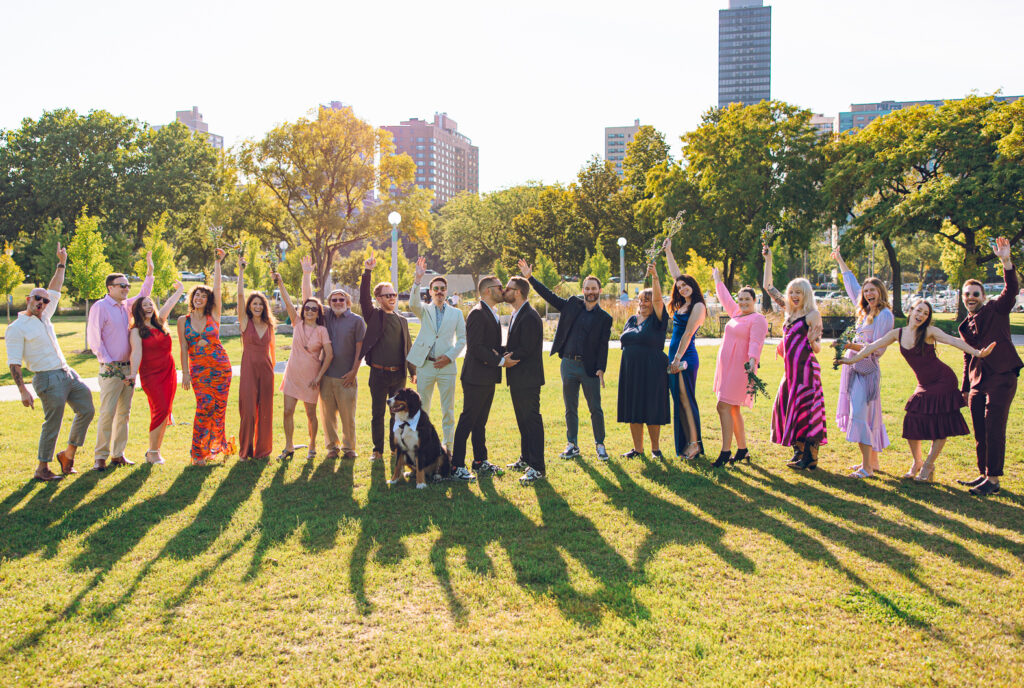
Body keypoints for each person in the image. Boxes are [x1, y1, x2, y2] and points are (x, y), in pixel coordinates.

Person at [840, 299, 992, 481]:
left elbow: (953, 341)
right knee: (911, 419)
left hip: (943, 380)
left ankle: (927, 466)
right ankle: (917, 462)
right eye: (918, 311)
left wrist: (978, 353)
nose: (920, 315)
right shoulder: (898, 334)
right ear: (911, 311)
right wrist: (850, 361)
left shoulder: (929, 332)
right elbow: (872, 347)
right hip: (924, 383)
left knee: (941, 423)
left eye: (925, 314)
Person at [6, 242, 94, 481]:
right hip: (46, 378)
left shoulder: (45, 315)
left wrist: (61, 262)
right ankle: (42, 468)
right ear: (28, 299)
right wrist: (23, 390)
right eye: (37, 299)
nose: (42, 304)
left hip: (67, 373)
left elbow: (55, 288)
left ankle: (67, 454)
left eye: (44, 301)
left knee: (86, 408)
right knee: (52, 424)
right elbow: (13, 363)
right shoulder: (16, 327)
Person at [519, 258, 613, 462]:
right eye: (587, 288)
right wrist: (530, 278)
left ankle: (600, 445)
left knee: (595, 408)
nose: (590, 291)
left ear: (599, 290)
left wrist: (601, 368)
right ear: (583, 289)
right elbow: (550, 296)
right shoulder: (572, 304)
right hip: (568, 365)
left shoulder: (605, 318)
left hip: (589, 369)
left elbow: (603, 346)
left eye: (593, 288)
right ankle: (572, 444)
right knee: (570, 407)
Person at [955, 236, 1022, 496]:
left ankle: (993, 480)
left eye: (975, 294)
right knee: (980, 430)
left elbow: (1011, 291)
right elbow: (966, 357)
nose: (971, 298)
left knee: (994, 427)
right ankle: (983, 473)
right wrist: (964, 387)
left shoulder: (996, 309)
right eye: (967, 295)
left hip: (1002, 376)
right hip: (977, 381)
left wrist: (1006, 261)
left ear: (983, 296)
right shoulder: (963, 326)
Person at [87, 251, 154, 470]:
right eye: (122, 285)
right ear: (110, 287)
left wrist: (150, 272)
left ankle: (118, 454)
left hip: (129, 368)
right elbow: (95, 340)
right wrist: (108, 362)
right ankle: (100, 456)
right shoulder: (100, 307)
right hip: (111, 368)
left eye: (127, 286)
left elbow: (144, 294)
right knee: (107, 412)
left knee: (124, 413)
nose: (126, 289)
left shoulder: (128, 306)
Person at [831, 248, 894, 478]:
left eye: (872, 290)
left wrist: (848, 346)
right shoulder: (865, 312)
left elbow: (877, 349)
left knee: (859, 414)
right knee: (864, 415)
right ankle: (871, 463)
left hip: (867, 372)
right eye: (866, 291)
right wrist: (840, 260)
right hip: (855, 369)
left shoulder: (884, 315)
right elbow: (852, 286)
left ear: (880, 292)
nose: (868, 294)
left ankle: (867, 468)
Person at [763, 245, 827, 470]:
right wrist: (769, 259)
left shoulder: (812, 314)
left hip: (806, 370)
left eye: (798, 292)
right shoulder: (789, 312)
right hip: (790, 371)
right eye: (792, 292)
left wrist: (812, 340)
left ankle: (810, 457)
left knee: (806, 411)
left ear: (806, 294)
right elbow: (768, 287)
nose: (794, 296)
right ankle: (798, 451)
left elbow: (818, 348)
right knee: (786, 406)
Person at [301, 257, 364, 460]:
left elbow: (360, 349)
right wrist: (307, 274)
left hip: (346, 376)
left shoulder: (357, 321)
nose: (338, 302)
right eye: (334, 300)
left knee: (348, 417)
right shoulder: (325, 316)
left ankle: (349, 448)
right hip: (326, 376)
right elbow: (308, 301)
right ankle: (331, 448)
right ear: (329, 304)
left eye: (341, 300)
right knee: (328, 417)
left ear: (348, 302)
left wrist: (354, 371)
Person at [178, 249, 235, 465]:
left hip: (221, 368)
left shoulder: (214, 316)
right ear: (191, 299)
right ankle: (197, 454)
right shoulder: (184, 320)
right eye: (196, 295)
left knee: (217, 408)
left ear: (208, 300)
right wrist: (185, 374)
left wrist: (218, 263)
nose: (200, 298)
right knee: (204, 406)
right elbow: (184, 348)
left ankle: (212, 448)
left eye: (204, 295)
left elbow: (218, 289)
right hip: (199, 370)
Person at [710, 267, 769, 467]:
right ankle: (742, 449)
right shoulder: (736, 313)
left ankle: (725, 452)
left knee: (723, 406)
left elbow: (756, 342)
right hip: (726, 368)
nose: (743, 302)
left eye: (747, 299)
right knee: (733, 409)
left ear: (755, 301)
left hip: (740, 369)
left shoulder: (758, 319)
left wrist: (752, 360)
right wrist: (717, 279)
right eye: (741, 299)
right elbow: (726, 298)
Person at [359, 256, 415, 462]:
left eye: (394, 294)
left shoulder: (402, 320)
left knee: (396, 415)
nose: (392, 297)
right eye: (388, 295)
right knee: (378, 414)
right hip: (378, 374)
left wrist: (413, 372)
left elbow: (407, 348)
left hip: (398, 375)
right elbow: (363, 300)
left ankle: (394, 448)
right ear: (379, 299)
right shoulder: (374, 316)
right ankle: (377, 450)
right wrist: (367, 272)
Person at [408, 257, 466, 454]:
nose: (439, 292)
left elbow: (462, 340)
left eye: (442, 288)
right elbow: (412, 303)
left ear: (446, 291)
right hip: (425, 366)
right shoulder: (424, 311)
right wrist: (417, 279)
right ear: (430, 292)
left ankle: (448, 448)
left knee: (447, 410)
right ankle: (421, 446)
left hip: (447, 368)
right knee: (422, 409)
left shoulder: (456, 314)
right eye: (436, 289)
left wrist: (449, 357)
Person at [450, 275, 506, 478]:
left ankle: (480, 460)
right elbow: (475, 348)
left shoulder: (492, 312)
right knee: (468, 420)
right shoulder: (477, 313)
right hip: (475, 376)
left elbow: (490, 345)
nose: (503, 290)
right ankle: (456, 466)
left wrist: (505, 352)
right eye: (500, 287)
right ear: (488, 291)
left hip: (487, 376)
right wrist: (500, 361)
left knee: (480, 422)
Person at [274, 271, 333, 460]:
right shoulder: (296, 323)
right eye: (307, 308)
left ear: (318, 313)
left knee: (310, 414)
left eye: (313, 309)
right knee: (287, 411)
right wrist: (280, 282)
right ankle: (288, 446)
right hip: (292, 376)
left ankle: (313, 444)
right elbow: (289, 302)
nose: (309, 311)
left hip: (311, 378)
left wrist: (318, 377)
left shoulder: (322, 330)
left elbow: (329, 355)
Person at [127, 281, 186, 465]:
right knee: (159, 410)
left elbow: (168, 305)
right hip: (151, 376)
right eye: (144, 305)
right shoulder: (136, 330)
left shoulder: (160, 323)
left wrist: (181, 291)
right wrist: (132, 374)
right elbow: (136, 353)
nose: (149, 307)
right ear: (138, 310)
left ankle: (155, 451)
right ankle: (152, 452)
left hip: (168, 372)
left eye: (150, 304)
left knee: (165, 411)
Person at [618, 264, 671, 458]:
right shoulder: (632, 320)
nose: (643, 303)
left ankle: (655, 449)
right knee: (634, 407)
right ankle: (637, 449)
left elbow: (658, 299)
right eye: (641, 300)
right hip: (631, 369)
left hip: (652, 369)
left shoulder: (658, 320)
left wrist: (655, 277)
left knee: (652, 406)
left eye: (647, 300)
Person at [664, 238, 706, 460]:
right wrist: (669, 251)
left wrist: (677, 359)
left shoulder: (698, 306)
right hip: (675, 357)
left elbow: (688, 334)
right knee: (679, 400)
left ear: (693, 284)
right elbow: (675, 275)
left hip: (685, 357)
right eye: (679, 287)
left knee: (687, 399)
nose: (682, 287)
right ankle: (688, 443)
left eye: (685, 284)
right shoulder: (684, 304)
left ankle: (694, 444)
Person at [502, 275, 546, 485]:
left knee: (532, 420)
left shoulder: (529, 316)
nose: (505, 291)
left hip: (528, 378)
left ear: (518, 292)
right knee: (522, 420)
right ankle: (526, 458)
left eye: (508, 288)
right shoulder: (516, 313)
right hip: (518, 377)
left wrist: (505, 358)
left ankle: (537, 466)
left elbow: (526, 348)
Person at [237, 255, 276, 460]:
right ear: (250, 306)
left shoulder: (269, 325)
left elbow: (272, 351)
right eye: (254, 304)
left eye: (261, 304)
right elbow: (240, 296)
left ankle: (262, 451)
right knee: (249, 411)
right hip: (249, 370)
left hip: (266, 370)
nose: (257, 307)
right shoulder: (245, 322)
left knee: (266, 412)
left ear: (264, 306)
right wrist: (241, 271)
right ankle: (245, 451)